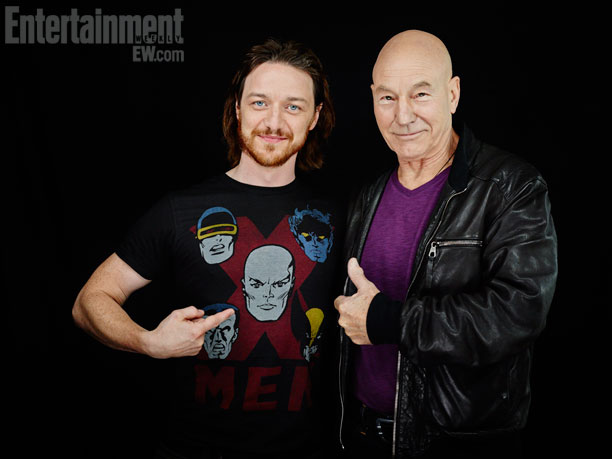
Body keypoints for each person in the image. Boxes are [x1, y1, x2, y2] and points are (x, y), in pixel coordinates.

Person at [72, 38, 342, 459]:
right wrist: (147, 341)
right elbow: (89, 300)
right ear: (237, 109)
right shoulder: (179, 211)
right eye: (259, 103)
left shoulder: (336, 219)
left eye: (293, 106)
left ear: (315, 117)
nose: (274, 121)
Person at [334, 30, 558, 459]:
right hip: (362, 436)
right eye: (387, 97)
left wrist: (388, 321)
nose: (402, 116)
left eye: (420, 94)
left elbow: (518, 313)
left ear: (452, 94)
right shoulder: (367, 195)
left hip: (454, 444)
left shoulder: (510, 187)